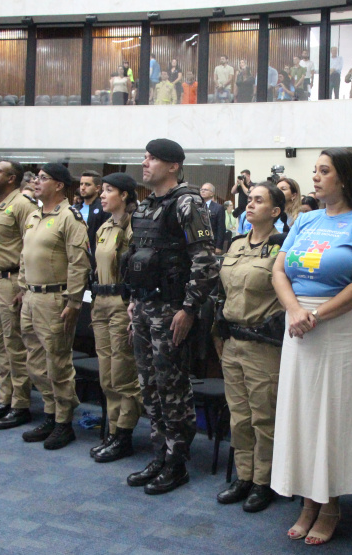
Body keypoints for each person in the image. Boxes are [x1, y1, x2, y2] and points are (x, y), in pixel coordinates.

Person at [271, 148, 352, 545]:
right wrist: (294, 310)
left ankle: (331, 503)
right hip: (298, 325)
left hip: (338, 327)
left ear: (345, 178)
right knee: (301, 413)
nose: (315, 177)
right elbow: (279, 270)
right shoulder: (306, 219)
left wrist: (315, 316)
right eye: (315, 171)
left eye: (324, 171)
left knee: (332, 414)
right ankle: (307, 501)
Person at [124, 138, 219, 495]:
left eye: (152, 158)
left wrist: (189, 309)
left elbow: (205, 261)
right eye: (145, 157)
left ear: (173, 165)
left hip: (172, 310)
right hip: (145, 306)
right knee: (149, 386)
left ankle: (177, 462)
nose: (145, 163)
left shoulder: (187, 203)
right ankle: (160, 455)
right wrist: (134, 299)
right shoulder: (147, 205)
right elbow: (138, 256)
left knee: (172, 388)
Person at [216, 181, 288, 513]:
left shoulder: (283, 247)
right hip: (233, 342)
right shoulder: (235, 245)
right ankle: (244, 476)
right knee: (239, 416)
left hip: (263, 345)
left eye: (259, 200)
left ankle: (264, 481)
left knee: (264, 418)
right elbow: (223, 293)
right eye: (249, 199)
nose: (250, 204)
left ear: (275, 211)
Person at [16, 163, 90, 450]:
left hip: (55, 299)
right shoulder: (34, 215)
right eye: (36, 177)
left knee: (57, 363)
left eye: (43, 178)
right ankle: (50, 413)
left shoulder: (70, 218)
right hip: (31, 297)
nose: (36, 182)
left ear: (59, 185)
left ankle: (63, 422)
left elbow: (79, 263)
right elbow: (24, 255)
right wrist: (22, 287)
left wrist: (74, 301)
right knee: (35, 364)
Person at [0, 161, 40, 428]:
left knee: (15, 346)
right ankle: (5, 399)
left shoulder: (23, 205)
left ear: (12, 178)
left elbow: (30, 246)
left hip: (10, 281)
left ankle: (20, 404)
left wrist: (23, 285)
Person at [90, 173, 144, 463]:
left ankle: (124, 434)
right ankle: (112, 431)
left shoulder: (135, 226)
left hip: (123, 303)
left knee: (123, 373)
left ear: (124, 195)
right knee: (107, 375)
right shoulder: (105, 226)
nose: (102, 195)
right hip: (100, 301)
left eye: (108, 190)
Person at [79, 171, 111, 261]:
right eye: (81, 184)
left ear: (97, 188)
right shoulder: (74, 208)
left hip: (95, 258)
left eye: (87, 184)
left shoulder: (103, 209)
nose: (83, 188)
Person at [200, 183, 227, 254]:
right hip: (199, 242)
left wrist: (219, 246)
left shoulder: (218, 208)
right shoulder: (196, 206)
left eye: (205, 190)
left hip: (212, 243)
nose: (203, 191)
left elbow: (221, 228)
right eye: (201, 189)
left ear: (212, 193)